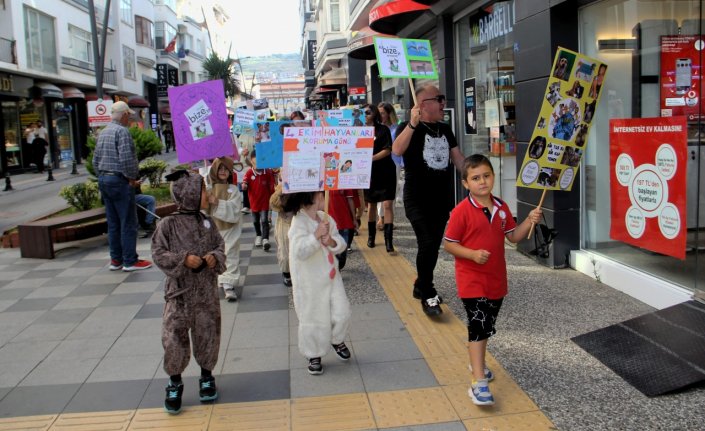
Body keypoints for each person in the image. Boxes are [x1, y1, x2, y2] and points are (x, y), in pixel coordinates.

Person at [443, 154, 542, 406]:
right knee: (478, 325)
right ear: (466, 183)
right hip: (471, 281)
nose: (482, 182)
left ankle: (477, 362)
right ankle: (478, 381)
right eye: (475, 178)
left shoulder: (501, 207)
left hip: (496, 279)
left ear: (493, 177)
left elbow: (514, 237)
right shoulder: (461, 212)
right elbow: (449, 244)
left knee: (486, 326)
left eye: (486, 176)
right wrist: (472, 254)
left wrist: (529, 220)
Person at [151, 170, 226, 414]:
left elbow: (219, 245)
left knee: (208, 334)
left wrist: (215, 257)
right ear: (189, 194)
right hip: (179, 296)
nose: (207, 194)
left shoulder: (207, 221)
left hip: (206, 293)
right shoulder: (167, 225)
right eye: (203, 190)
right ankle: (174, 381)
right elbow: (158, 253)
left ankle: (206, 375)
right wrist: (183, 260)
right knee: (174, 337)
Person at [392, 85, 465, 316]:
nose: (444, 103)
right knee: (426, 242)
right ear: (423, 104)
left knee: (433, 245)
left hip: (442, 199)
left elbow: (458, 160)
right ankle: (428, 291)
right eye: (439, 99)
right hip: (417, 198)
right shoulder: (408, 127)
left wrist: (477, 177)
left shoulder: (445, 129)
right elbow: (397, 149)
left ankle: (419, 284)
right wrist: (413, 124)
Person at [284, 190, 352, 375]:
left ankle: (337, 339)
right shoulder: (298, 222)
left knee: (342, 312)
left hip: (331, 277)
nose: (324, 197)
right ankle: (313, 354)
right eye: (321, 195)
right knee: (313, 318)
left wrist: (331, 240)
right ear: (312, 197)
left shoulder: (325, 217)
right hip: (310, 282)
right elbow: (299, 251)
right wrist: (315, 236)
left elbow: (340, 243)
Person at [93, 101, 152, 272]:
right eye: (129, 115)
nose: (130, 118)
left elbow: (95, 160)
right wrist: (132, 179)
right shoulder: (122, 132)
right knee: (128, 221)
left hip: (105, 179)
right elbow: (127, 159)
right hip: (119, 181)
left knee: (113, 223)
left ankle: (116, 260)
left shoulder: (103, 133)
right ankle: (129, 260)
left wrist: (102, 176)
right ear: (124, 114)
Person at [206, 157, 243, 302]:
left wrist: (217, 202)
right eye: (220, 168)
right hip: (212, 228)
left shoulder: (233, 189)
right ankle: (215, 282)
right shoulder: (208, 188)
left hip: (230, 229)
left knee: (230, 253)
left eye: (226, 169)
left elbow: (235, 210)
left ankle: (228, 284)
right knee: (212, 256)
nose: (223, 172)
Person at [362, 104, 397, 254]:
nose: (365, 115)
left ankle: (389, 241)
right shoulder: (358, 131)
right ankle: (371, 237)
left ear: (374, 114)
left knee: (388, 204)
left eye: (368, 112)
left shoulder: (383, 130)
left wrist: (372, 158)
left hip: (386, 170)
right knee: (371, 205)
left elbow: (388, 149)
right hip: (369, 173)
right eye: (363, 113)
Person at [241, 149, 276, 251]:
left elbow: (271, 186)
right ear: (251, 162)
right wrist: (244, 185)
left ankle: (265, 239)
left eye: (259, 163)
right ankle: (258, 235)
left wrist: (273, 198)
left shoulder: (268, 172)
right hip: (254, 203)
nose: (256, 166)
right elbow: (245, 182)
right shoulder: (249, 173)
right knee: (256, 221)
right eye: (254, 163)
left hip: (265, 202)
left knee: (264, 221)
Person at [269, 178, 293, 286]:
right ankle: (286, 272)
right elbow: (273, 203)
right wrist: (281, 190)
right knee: (285, 251)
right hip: (285, 221)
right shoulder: (281, 184)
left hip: (301, 219)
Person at [327, 188, 357, 270]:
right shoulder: (325, 179)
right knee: (331, 247)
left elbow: (350, 199)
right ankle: (335, 268)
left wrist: (354, 218)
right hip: (330, 221)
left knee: (343, 247)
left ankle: (340, 265)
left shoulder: (345, 179)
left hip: (344, 220)